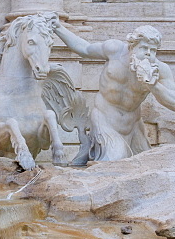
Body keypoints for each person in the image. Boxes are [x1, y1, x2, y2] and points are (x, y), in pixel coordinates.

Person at [53, 20, 175, 161]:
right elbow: (84, 49)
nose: (148, 54)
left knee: (145, 163)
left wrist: (153, 86)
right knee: (115, 161)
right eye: (144, 48)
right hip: (105, 120)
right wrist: (58, 27)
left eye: (153, 50)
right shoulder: (114, 50)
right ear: (132, 46)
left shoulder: (159, 70)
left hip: (133, 125)